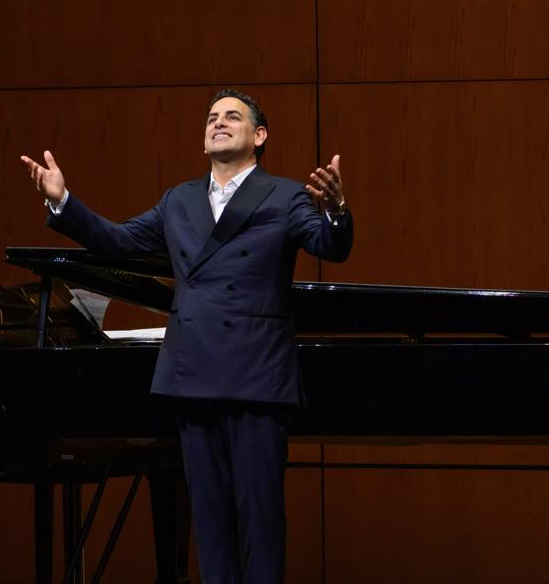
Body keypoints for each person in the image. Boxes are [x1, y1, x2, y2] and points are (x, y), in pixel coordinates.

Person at [20, 89, 352, 584]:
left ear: (258, 137)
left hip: (257, 377)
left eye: (232, 116)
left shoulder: (285, 195)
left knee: (260, 522)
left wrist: (337, 210)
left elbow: (331, 245)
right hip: (193, 374)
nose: (218, 123)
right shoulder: (179, 199)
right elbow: (119, 242)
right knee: (211, 526)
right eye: (212, 117)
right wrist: (63, 202)